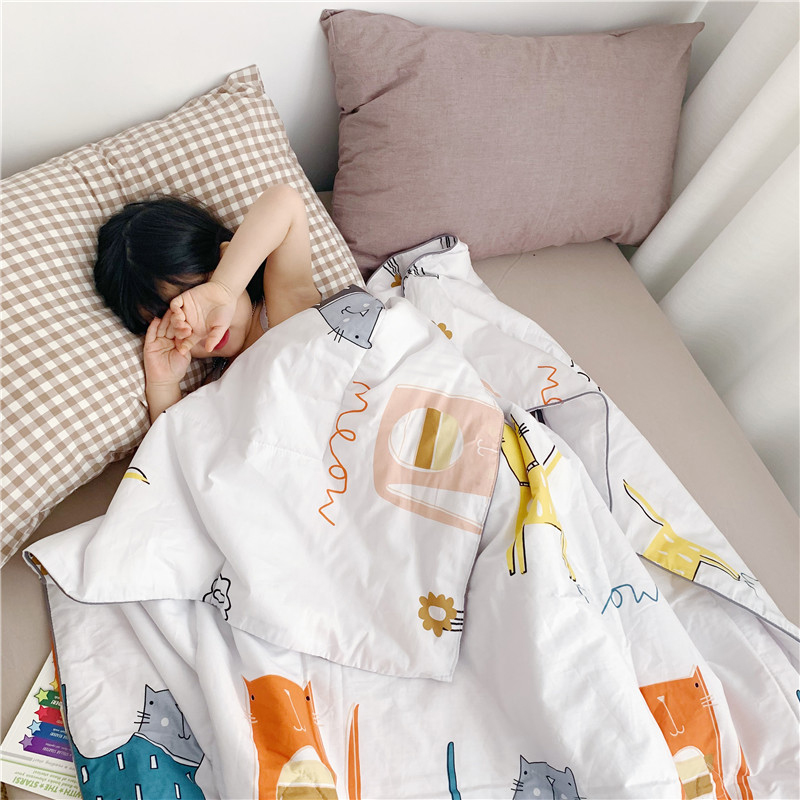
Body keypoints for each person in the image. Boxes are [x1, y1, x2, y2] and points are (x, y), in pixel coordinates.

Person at [94, 184, 320, 423]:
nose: (200, 327)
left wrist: (223, 289)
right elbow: (176, 442)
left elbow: (284, 202)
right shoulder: (213, 385)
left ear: (225, 257)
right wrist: (163, 384)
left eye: (198, 293)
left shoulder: (285, 305)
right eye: (175, 323)